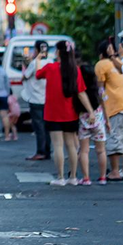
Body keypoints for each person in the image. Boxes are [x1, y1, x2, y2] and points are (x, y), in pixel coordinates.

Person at [36, 40, 91, 186]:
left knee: (58, 146)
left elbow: (37, 74)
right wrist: (91, 111)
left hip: (53, 114)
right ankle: (73, 177)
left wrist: (37, 59)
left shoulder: (50, 68)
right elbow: (81, 93)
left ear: (58, 52)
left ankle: (60, 177)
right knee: (71, 146)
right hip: (70, 113)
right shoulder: (75, 70)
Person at [96, 37, 123, 181]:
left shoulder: (101, 65)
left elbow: (100, 89)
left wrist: (102, 109)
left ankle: (114, 171)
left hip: (116, 106)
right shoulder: (122, 63)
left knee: (114, 138)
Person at [77, 61, 107, 185]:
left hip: (83, 119)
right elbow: (104, 101)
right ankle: (103, 177)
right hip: (98, 119)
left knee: (84, 150)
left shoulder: (78, 89)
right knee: (101, 150)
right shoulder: (98, 89)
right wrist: (107, 120)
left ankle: (86, 178)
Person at [22, 41, 52, 161]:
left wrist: (27, 63)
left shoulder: (34, 63)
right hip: (48, 99)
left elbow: (25, 76)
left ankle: (40, 151)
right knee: (47, 127)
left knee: (39, 127)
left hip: (35, 99)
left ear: (36, 50)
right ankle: (47, 151)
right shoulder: (51, 63)